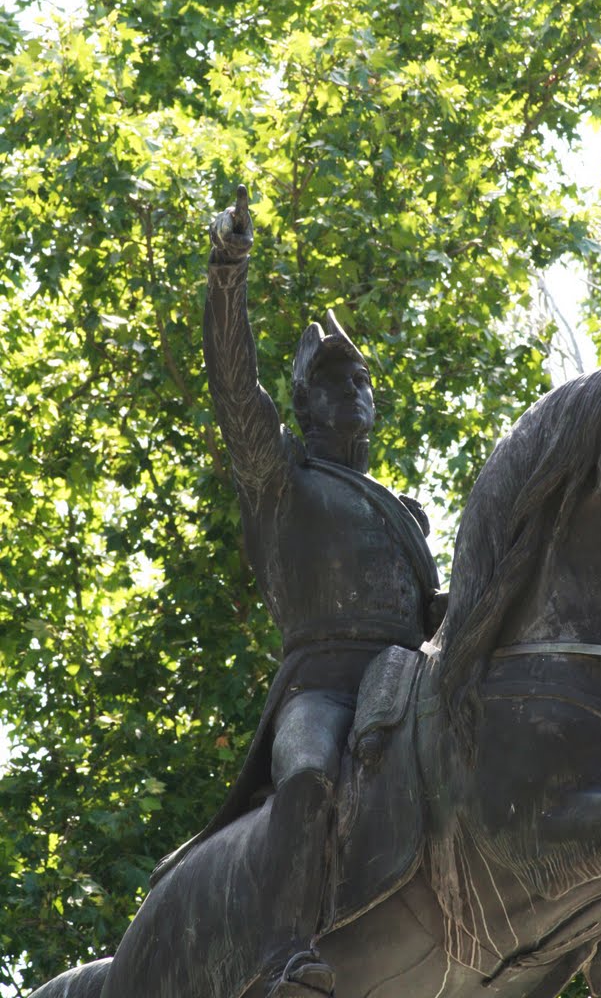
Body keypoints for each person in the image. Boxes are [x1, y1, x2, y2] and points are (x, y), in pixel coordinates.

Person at [154, 186, 446, 998]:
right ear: (304, 405)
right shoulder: (279, 478)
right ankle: (285, 952)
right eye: (332, 382)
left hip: (407, 678)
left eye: (359, 382)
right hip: (322, 682)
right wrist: (226, 272)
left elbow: (427, 614)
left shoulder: (403, 511)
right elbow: (232, 385)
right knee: (310, 773)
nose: (351, 391)